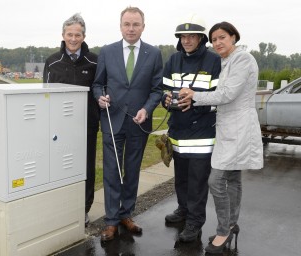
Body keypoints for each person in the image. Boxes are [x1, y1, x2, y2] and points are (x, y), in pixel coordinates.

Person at [179, 21, 264, 253]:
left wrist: (194, 94)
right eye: (214, 39)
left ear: (233, 37)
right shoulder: (226, 61)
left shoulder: (243, 59)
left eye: (222, 38)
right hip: (228, 129)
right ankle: (232, 223)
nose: (217, 43)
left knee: (216, 181)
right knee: (233, 178)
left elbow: (226, 94)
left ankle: (223, 230)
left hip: (239, 128)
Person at [92, 6, 163, 242]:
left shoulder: (153, 54)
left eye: (136, 24)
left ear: (143, 26)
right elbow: (98, 84)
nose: (131, 29)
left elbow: (156, 90)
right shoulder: (107, 52)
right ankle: (111, 221)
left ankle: (126, 214)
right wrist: (99, 98)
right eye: (127, 24)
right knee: (112, 172)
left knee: (132, 171)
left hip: (138, 122)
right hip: (113, 121)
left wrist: (147, 109)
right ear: (120, 25)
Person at [162, 13, 221, 242]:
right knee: (182, 179)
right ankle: (183, 210)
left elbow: (219, 96)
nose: (186, 40)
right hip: (178, 132)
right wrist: (165, 100)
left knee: (197, 182)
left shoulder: (214, 61)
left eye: (192, 36)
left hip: (202, 133)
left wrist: (195, 100)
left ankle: (195, 223)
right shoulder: (173, 60)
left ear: (201, 39)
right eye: (183, 36)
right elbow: (163, 90)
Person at [43, 13, 99, 226]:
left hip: (87, 125)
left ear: (84, 36)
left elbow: (100, 89)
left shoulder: (94, 61)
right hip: (59, 128)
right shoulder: (52, 62)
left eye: (77, 35)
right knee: (59, 166)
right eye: (69, 34)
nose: (73, 39)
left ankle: (84, 208)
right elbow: (45, 95)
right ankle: (60, 208)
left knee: (86, 167)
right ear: (63, 35)